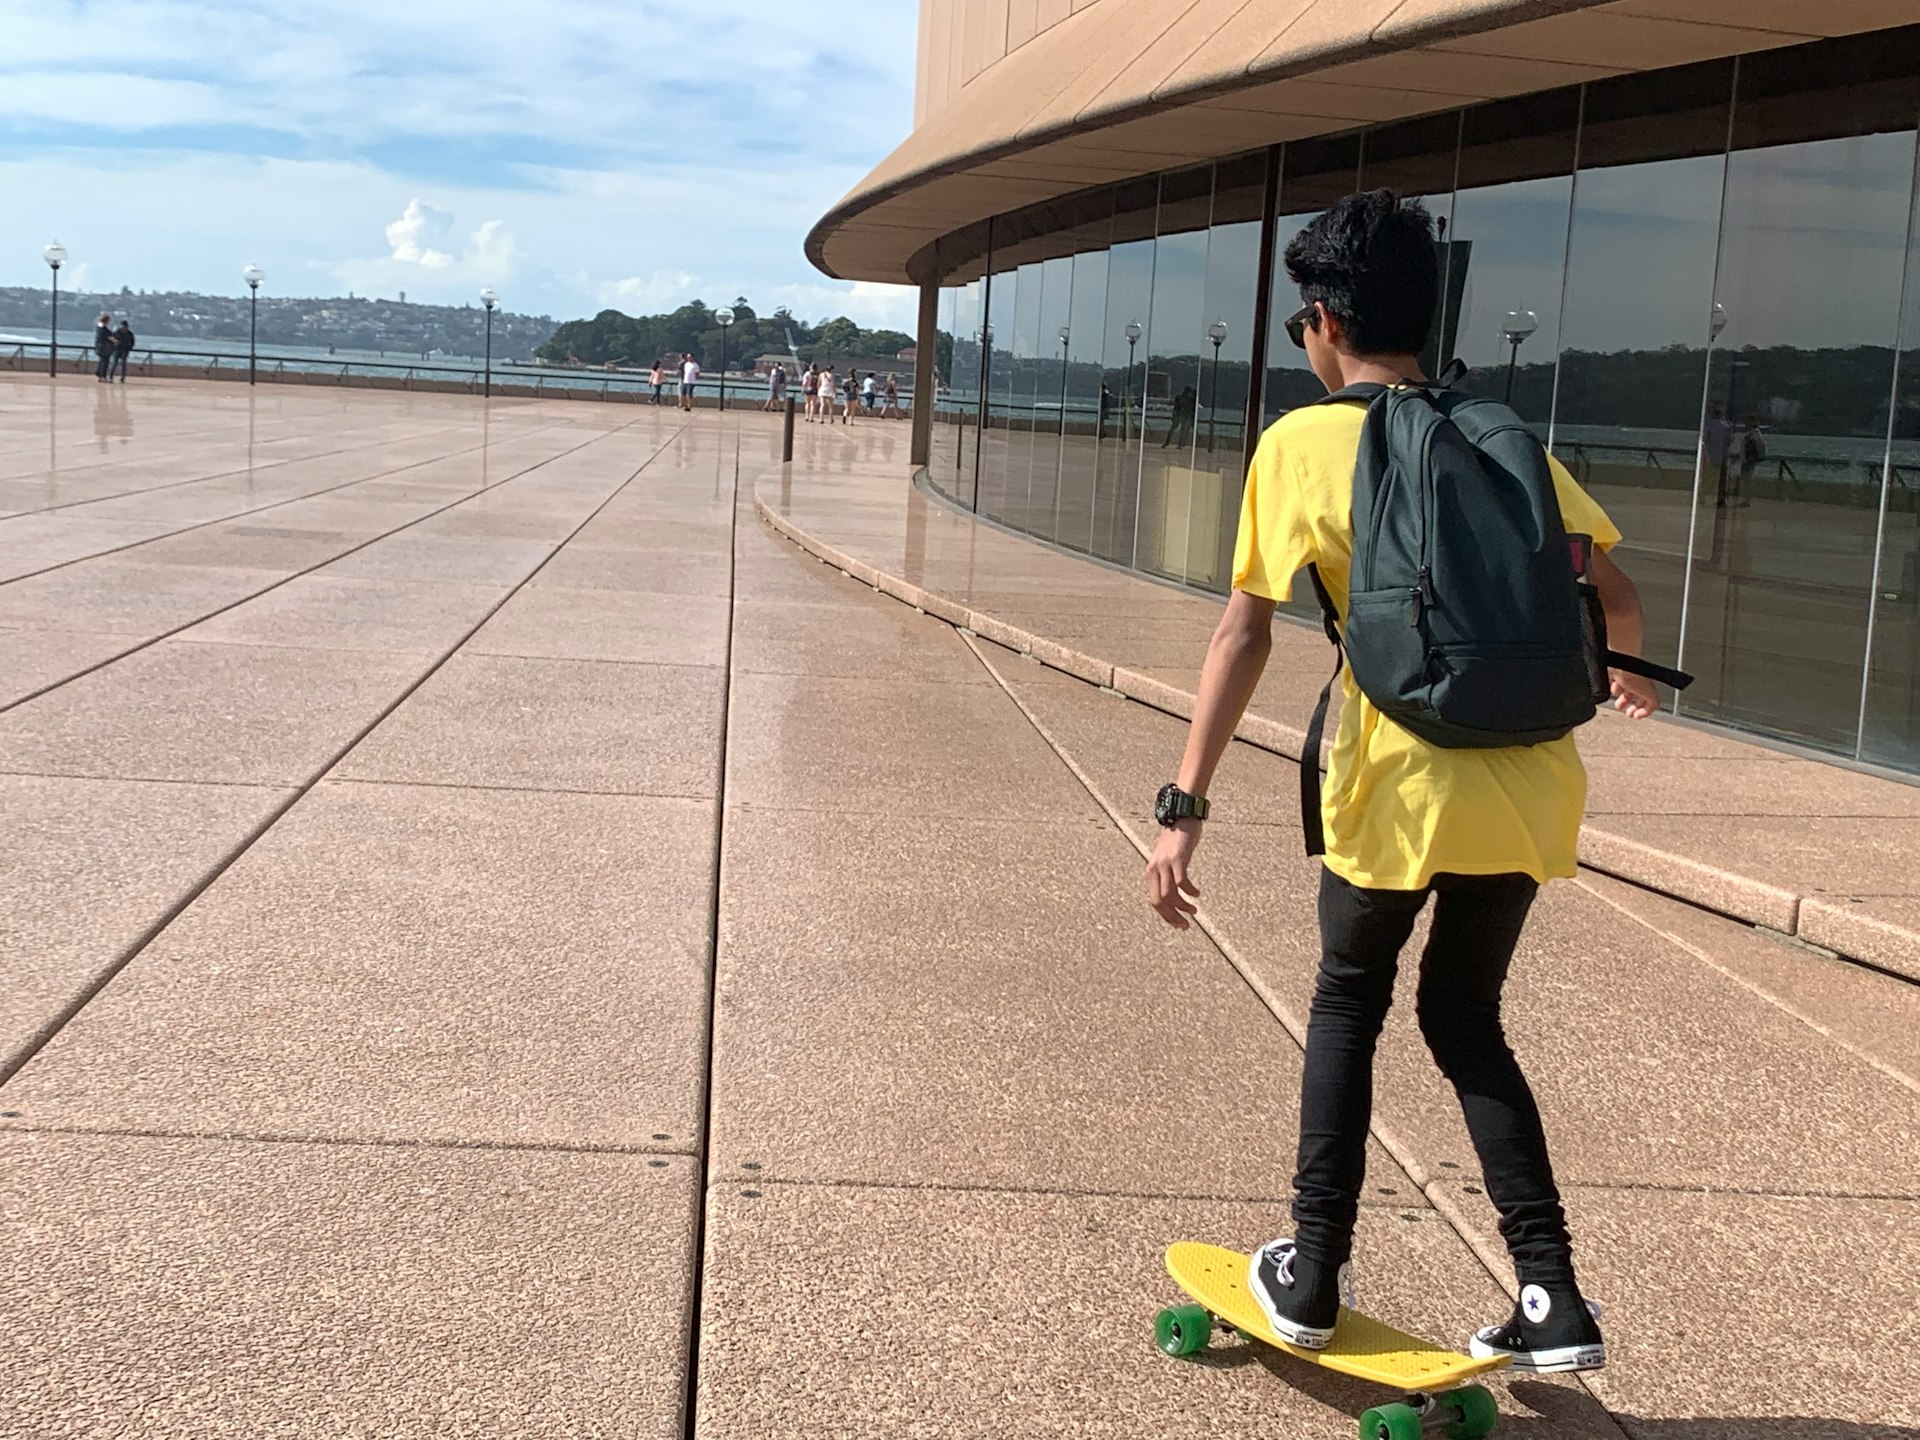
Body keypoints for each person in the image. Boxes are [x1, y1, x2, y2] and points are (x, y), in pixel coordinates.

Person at [1144, 190, 1659, 1376]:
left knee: (1348, 1005)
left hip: (1393, 786)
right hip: (1526, 785)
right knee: (1467, 1020)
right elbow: (1613, 597)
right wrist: (1628, 683)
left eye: (1301, 327)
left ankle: (1313, 1270)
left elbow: (1243, 636)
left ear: (1324, 322)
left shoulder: (1301, 444)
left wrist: (1183, 809)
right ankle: (1549, 1296)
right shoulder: (1502, 432)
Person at [1162, 384, 1197, 448]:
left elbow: (1175, 407)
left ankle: (1172, 442)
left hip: (1180, 415)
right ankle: (1175, 443)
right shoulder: (1186, 399)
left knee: (1176, 430)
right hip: (1180, 415)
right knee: (1179, 430)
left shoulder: (1182, 398)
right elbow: (1176, 407)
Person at [93, 313, 114, 382]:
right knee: (105, 362)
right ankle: (102, 376)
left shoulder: (98, 327)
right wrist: (115, 341)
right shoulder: (103, 329)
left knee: (102, 361)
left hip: (99, 347)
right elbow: (109, 336)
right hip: (104, 348)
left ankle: (99, 374)